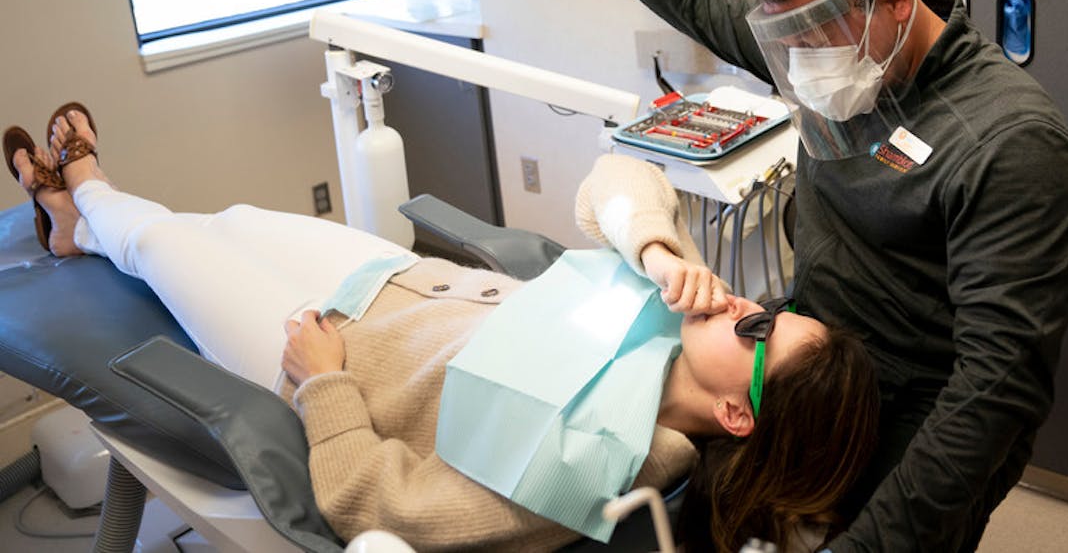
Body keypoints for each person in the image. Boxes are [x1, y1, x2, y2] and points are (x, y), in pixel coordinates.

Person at [553, 0, 1068, 551]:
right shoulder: (830, 57)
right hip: (815, 366)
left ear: (891, 2)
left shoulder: (1011, 142)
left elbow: (999, 387)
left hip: (923, 413)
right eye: (786, 48)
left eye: (812, 44)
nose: (801, 71)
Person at [7, 107, 880, 553]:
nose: (742, 306)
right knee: (226, 218)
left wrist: (324, 384)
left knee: (161, 243)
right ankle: (80, 227)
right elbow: (616, 173)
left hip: (321, 341)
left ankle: (83, 187)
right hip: (387, 278)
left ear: (738, 415)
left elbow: (379, 504)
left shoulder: (600, 470)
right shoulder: (684, 297)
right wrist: (653, 249)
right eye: (766, 304)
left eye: (761, 331)